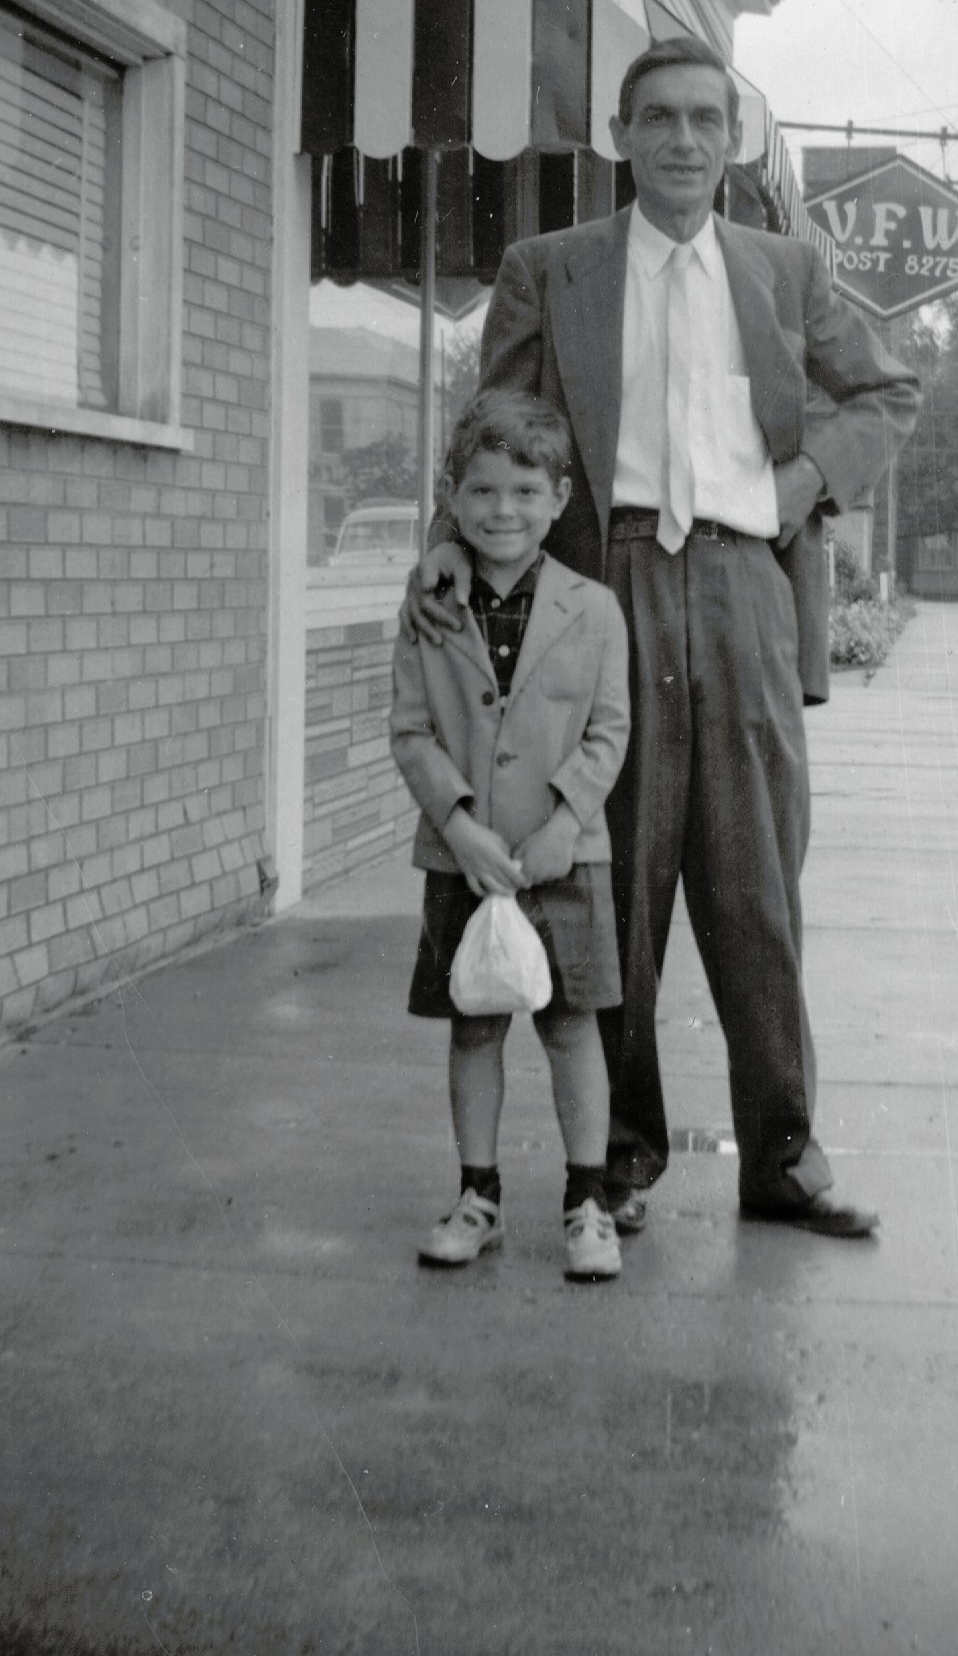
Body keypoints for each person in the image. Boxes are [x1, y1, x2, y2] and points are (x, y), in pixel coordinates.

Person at [408, 36, 920, 1241]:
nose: (684, 140)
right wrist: (447, 531)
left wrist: (800, 486)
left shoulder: (788, 271)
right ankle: (620, 1160)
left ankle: (782, 1156)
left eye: (705, 118)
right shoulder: (552, 267)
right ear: (621, 136)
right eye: (659, 119)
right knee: (616, 877)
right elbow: (503, 419)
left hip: (744, 584)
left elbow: (886, 391)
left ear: (732, 138)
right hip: (604, 583)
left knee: (755, 884)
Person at [390, 390, 631, 1282]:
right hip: (467, 855)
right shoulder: (430, 603)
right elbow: (410, 730)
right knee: (475, 1027)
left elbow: (609, 729)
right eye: (483, 492)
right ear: (454, 500)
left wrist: (568, 821)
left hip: (563, 854)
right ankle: (478, 1195)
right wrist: (458, 825)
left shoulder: (594, 609)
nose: (503, 510)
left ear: (560, 497)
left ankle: (587, 1202)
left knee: (573, 1030)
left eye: (526, 491)